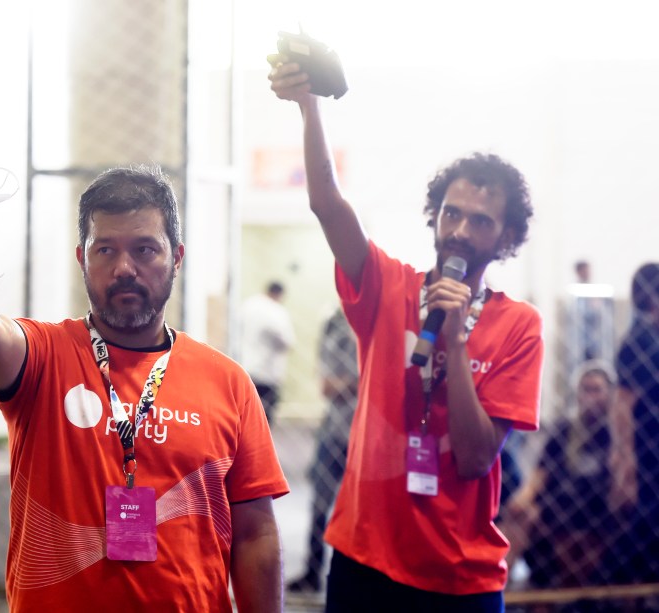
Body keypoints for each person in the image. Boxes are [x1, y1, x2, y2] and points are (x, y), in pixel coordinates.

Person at [0, 165, 289, 612]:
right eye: (105, 250)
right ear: (82, 258)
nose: (124, 269)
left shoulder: (227, 382)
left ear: (176, 257)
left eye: (144, 250)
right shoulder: (42, 355)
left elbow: (256, 534)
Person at [269, 58, 544, 612]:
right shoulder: (388, 289)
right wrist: (309, 107)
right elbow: (327, 204)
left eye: (481, 221)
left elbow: (473, 459)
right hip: (364, 558)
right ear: (435, 216)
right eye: (452, 214)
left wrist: (456, 345)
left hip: (458, 577)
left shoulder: (519, 326)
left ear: (506, 236)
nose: (461, 231)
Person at [498, 360, 618, 590]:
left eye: (597, 389)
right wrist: (524, 499)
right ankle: (498, 584)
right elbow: (539, 474)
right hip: (555, 513)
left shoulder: (615, 433)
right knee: (521, 514)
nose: (590, 396)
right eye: (585, 389)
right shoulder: (564, 430)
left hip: (599, 516)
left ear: (609, 394)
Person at [287, 306, 358, 593]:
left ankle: (350, 576)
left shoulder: (375, 316)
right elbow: (328, 385)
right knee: (320, 502)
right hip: (336, 428)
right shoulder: (334, 323)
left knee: (358, 508)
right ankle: (313, 570)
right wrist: (358, 380)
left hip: (364, 431)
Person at [607, 262, 659, 585]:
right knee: (644, 533)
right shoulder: (641, 340)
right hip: (649, 455)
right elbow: (623, 404)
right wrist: (625, 461)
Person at [239, 280, 296, 423]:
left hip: (246, 366)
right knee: (265, 415)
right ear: (279, 294)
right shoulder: (277, 311)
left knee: (246, 411)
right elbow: (287, 341)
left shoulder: (248, 305)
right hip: (267, 371)